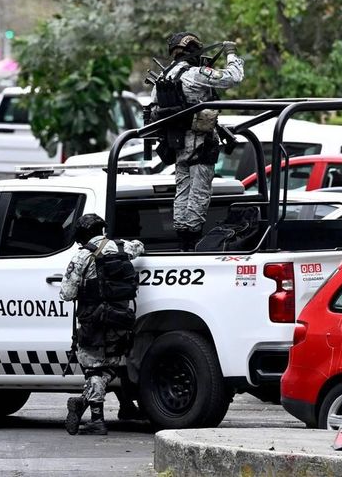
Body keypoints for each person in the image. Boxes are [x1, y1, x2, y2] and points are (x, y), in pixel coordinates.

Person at [151, 32, 244, 250]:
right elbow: (234, 77)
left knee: (182, 192)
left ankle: (182, 240)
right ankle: (192, 242)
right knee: (199, 194)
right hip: (200, 144)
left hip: (177, 144)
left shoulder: (164, 76)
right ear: (193, 51)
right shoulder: (194, 74)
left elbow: (153, 111)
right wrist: (231, 54)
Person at [60, 214, 145, 436]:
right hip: (120, 318)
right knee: (112, 365)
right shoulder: (121, 247)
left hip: (94, 321)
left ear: (83, 234)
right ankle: (87, 401)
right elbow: (139, 246)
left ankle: (96, 419)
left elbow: (66, 294)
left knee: (94, 370)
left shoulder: (82, 256)